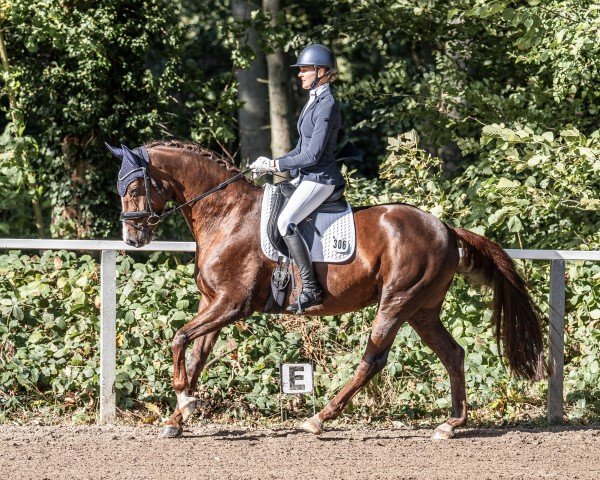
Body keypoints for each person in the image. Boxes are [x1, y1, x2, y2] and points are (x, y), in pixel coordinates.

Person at [249, 43, 345, 313]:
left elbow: (313, 155)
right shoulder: (313, 101)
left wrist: (276, 164)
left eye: (305, 69)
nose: (300, 74)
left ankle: (311, 289)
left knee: (285, 221)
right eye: (300, 69)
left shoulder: (327, 105)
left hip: (321, 178)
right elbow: (301, 149)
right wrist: (270, 163)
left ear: (322, 71)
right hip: (307, 176)